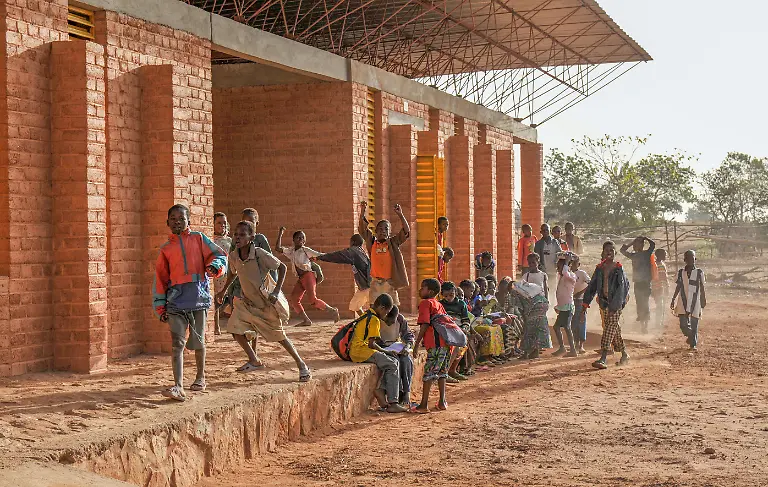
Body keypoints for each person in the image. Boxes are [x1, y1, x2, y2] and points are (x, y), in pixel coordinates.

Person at [216, 221, 311, 381]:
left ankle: (302, 365)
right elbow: (233, 273)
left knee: (279, 336)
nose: (237, 238)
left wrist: (275, 291)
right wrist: (223, 290)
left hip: (265, 304)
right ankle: (254, 360)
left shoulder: (259, 254)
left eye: (242, 235)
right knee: (234, 328)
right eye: (236, 235)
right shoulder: (234, 256)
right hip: (247, 303)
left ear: (251, 237)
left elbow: (282, 267)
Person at [153, 204, 227, 401]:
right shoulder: (166, 250)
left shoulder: (199, 239)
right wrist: (160, 306)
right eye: (173, 219)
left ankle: (201, 377)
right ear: (167, 222)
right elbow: (160, 279)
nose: (177, 222)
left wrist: (214, 267)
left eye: (181, 219)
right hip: (176, 301)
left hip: (198, 298)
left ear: (188, 221)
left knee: (198, 341)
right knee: (177, 343)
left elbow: (219, 255)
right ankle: (178, 385)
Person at [347, 293, 408, 413]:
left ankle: (381, 390)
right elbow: (372, 344)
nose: (385, 315)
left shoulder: (366, 314)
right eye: (386, 312)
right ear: (381, 308)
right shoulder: (374, 319)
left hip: (357, 350)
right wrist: (387, 352)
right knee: (392, 364)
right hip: (362, 351)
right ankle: (393, 402)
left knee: (394, 361)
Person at [581, 240, 630, 370]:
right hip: (604, 303)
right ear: (602, 252)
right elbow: (592, 286)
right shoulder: (600, 268)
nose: (609, 252)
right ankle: (624, 354)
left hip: (616, 304)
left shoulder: (618, 268)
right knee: (614, 330)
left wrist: (616, 306)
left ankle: (603, 357)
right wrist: (585, 303)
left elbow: (622, 289)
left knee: (609, 329)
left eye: (611, 250)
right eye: (606, 250)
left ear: (615, 253)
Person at [276, 227, 340, 326]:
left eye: (302, 238)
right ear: (293, 240)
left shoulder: (305, 250)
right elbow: (278, 248)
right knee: (294, 298)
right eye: (298, 238)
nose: (301, 240)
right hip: (301, 278)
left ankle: (332, 310)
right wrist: (280, 233)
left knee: (312, 299)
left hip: (308, 276)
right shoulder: (291, 251)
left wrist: (328, 257)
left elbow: (320, 254)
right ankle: (306, 320)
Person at [232, 208, 274, 351]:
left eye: (251, 221)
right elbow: (233, 261)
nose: (247, 223)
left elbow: (272, 264)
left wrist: (271, 289)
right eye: (244, 220)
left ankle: (254, 350)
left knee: (256, 318)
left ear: (257, 223)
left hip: (257, 286)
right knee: (240, 320)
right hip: (241, 284)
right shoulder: (237, 239)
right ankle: (250, 350)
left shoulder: (260, 240)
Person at [358, 201, 410, 306]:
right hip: (375, 282)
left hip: (389, 282)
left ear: (389, 232)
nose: (383, 231)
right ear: (376, 231)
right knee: (374, 307)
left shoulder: (393, 242)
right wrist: (363, 211)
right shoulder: (372, 242)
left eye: (386, 229)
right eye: (380, 229)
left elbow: (406, 231)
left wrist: (400, 214)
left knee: (392, 308)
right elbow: (363, 229)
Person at [413, 278, 452, 413]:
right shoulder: (438, 304)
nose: (419, 290)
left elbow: (425, 324)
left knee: (429, 373)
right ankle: (442, 401)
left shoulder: (426, 303)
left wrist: (417, 344)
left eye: (422, 287)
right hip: (446, 344)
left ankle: (423, 405)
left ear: (430, 291)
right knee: (442, 373)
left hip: (435, 344)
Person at [317, 234, 371, 316]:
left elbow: (337, 256)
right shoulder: (361, 251)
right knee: (354, 306)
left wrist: (321, 257)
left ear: (353, 242)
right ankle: (366, 321)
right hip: (363, 286)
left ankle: (373, 323)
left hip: (368, 285)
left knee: (374, 307)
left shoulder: (354, 251)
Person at [380, 305, 416, 407]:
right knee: (396, 362)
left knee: (406, 360)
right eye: (389, 320)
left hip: (396, 346)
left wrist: (407, 346)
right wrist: (387, 349)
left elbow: (409, 335)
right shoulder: (377, 320)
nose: (391, 322)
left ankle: (406, 392)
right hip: (382, 348)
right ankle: (398, 392)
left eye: (393, 320)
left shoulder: (400, 319)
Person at [440, 281, 477, 380]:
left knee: (463, 342)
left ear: (455, 292)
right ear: (442, 295)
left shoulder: (461, 304)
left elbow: (466, 319)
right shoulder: (440, 304)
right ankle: (446, 371)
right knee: (454, 343)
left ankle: (452, 369)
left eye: (451, 294)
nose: (449, 297)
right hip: (445, 328)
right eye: (446, 295)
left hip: (459, 328)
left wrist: (465, 328)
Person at [671, 250, 706, 351]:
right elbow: (679, 286)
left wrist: (704, 298)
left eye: (692, 258)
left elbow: (702, 286)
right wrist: (673, 299)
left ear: (695, 259)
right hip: (683, 299)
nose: (691, 260)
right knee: (683, 325)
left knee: (694, 323)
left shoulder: (699, 272)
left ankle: (693, 344)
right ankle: (690, 336)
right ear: (685, 260)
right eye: (688, 258)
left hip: (696, 300)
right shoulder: (681, 272)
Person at [620, 236, 656, 332]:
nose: (636, 246)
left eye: (639, 244)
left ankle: (645, 325)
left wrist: (645, 238)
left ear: (642, 245)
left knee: (645, 303)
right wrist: (632, 242)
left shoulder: (646, 254)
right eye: (635, 245)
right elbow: (622, 250)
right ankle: (642, 324)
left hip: (645, 282)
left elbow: (653, 245)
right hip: (638, 282)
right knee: (639, 304)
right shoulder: (633, 255)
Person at [510, 280, 551, 360]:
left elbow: (521, 308)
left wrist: (525, 320)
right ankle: (535, 352)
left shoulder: (515, 293)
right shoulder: (527, 288)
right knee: (538, 328)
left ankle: (525, 354)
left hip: (534, 307)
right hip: (543, 304)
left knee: (529, 329)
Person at [552, 252, 578, 357]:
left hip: (568, 306)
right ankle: (564, 348)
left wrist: (566, 262)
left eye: (559, 266)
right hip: (564, 307)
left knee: (566, 327)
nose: (558, 269)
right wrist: (558, 306)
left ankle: (572, 350)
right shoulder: (563, 277)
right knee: (557, 327)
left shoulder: (571, 276)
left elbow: (565, 272)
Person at [212, 212, 232, 335]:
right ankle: (216, 326)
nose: (222, 225)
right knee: (216, 301)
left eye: (224, 223)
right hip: (217, 275)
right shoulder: (211, 240)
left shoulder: (230, 240)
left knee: (229, 300)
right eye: (219, 223)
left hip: (229, 274)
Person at [534, 223, 565, 299]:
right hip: (543, 271)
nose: (545, 232)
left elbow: (560, 254)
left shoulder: (555, 242)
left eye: (547, 230)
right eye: (543, 230)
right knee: (543, 289)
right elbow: (536, 258)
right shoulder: (538, 244)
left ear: (549, 231)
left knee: (553, 289)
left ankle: (552, 303)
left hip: (553, 270)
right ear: (541, 232)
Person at [571, 255, 590, 354]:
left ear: (578, 264)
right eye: (571, 263)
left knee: (581, 321)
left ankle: (581, 345)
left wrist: (581, 292)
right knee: (573, 323)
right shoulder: (567, 274)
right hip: (571, 301)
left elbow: (590, 284)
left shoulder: (581, 273)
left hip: (580, 300)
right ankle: (575, 343)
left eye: (575, 263)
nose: (573, 265)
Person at [652, 248, 670, 328]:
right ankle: (658, 323)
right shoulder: (659, 264)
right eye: (664, 254)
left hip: (657, 287)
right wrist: (667, 287)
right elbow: (663, 278)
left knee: (660, 305)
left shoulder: (658, 263)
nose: (666, 256)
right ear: (659, 255)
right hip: (659, 287)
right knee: (660, 305)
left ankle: (659, 323)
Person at [437, 216, 449, 282]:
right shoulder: (437, 234)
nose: (446, 226)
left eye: (447, 225)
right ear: (439, 225)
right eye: (444, 224)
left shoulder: (441, 235)